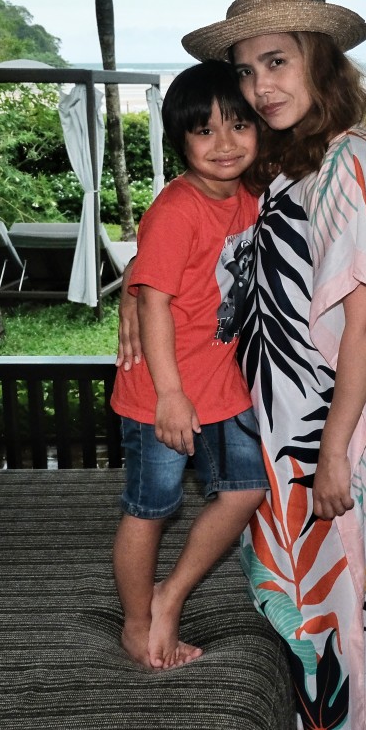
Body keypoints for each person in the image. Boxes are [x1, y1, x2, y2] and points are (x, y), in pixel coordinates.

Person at [122, 0, 366, 730]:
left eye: (277, 62)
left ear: (320, 62)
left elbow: (365, 324)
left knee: (347, 616)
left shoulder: (350, 161)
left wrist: (334, 453)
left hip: (329, 426)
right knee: (307, 611)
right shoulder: (289, 158)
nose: (260, 87)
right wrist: (135, 294)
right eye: (247, 71)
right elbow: (199, 240)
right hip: (280, 420)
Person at [109, 61, 268, 671]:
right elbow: (153, 300)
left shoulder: (249, 196)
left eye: (238, 126)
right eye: (205, 131)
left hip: (222, 383)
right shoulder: (178, 208)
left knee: (246, 490)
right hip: (162, 391)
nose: (225, 143)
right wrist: (170, 395)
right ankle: (135, 623)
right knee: (150, 508)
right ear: (181, 141)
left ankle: (169, 595)